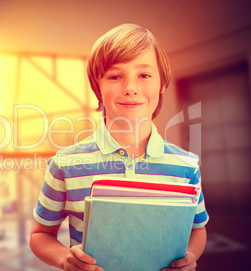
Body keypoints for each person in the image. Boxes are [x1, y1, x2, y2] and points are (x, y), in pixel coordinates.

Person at [30, 23, 209, 271]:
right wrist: (64, 259)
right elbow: (40, 235)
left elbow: (198, 230)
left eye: (144, 75)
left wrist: (190, 256)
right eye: (115, 76)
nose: (130, 88)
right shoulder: (65, 163)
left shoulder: (187, 165)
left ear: (162, 83)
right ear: (97, 87)